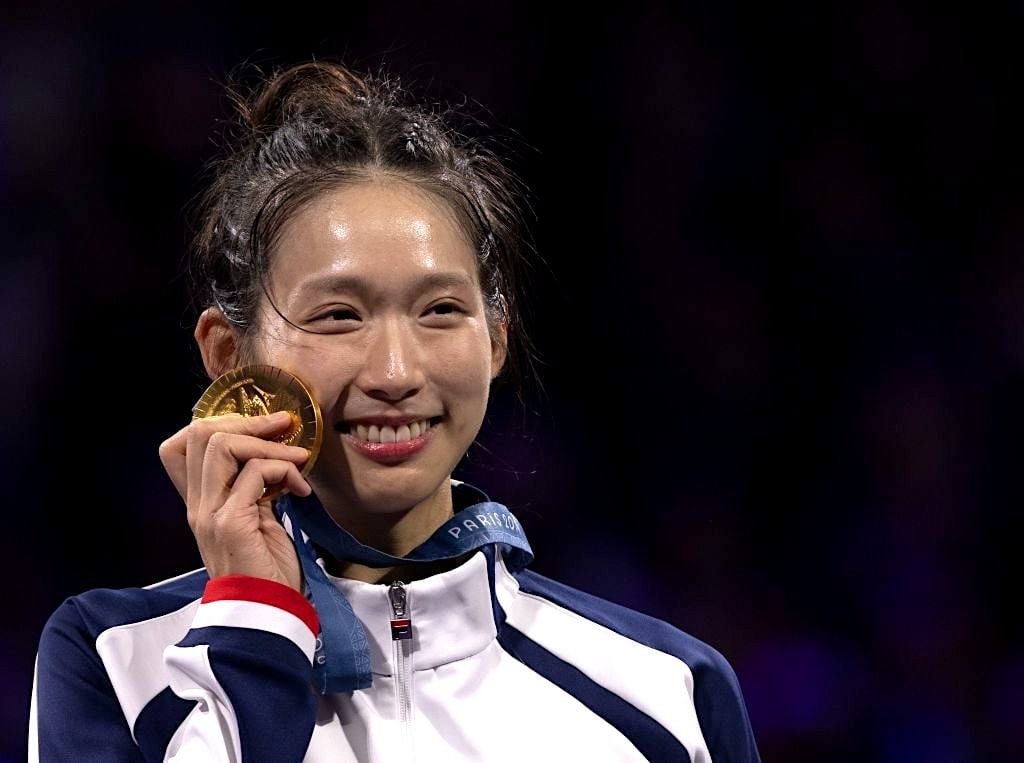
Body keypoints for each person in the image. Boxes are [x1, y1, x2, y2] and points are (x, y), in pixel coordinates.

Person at [29, 59, 761, 762]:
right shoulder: (112, 663)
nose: (395, 372)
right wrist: (253, 617)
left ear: (496, 339)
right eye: (340, 315)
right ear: (229, 354)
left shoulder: (668, 694)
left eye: (440, 309)